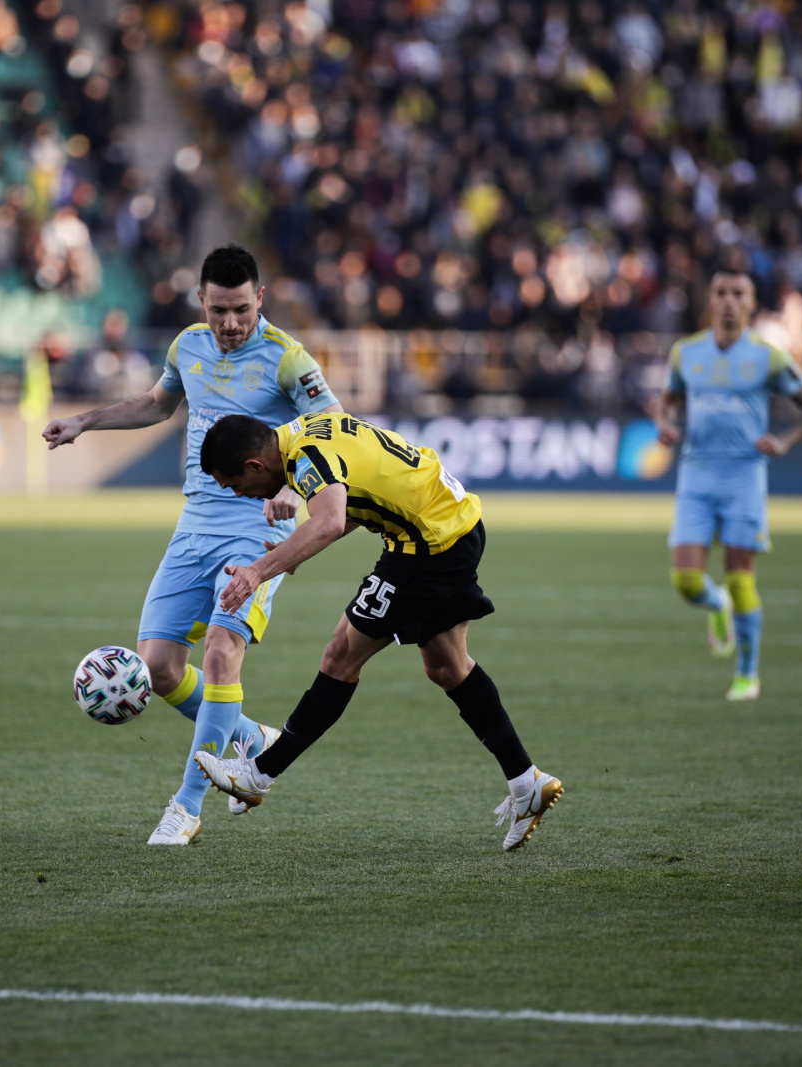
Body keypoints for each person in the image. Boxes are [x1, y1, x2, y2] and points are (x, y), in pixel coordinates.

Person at [42, 244, 342, 846]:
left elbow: (334, 428)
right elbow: (157, 404)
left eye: (241, 310)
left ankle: (186, 806)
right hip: (194, 524)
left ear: (260, 299)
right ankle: (249, 737)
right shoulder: (188, 346)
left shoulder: (288, 359)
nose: (229, 323)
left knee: (222, 653)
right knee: (157, 668)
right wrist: (85, 422)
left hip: (258, 525)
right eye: (218, 310)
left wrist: (294, 487)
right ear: (200, 300)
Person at [192, 412, 563, 851]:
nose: (240, 494)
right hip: (453, 525)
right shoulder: (308, 428)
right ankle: (526, 783)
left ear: (255, 465)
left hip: (427, 546)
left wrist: (257, 571)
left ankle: (258, 774)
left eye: (235, 485)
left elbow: (330, 520)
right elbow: (353, 500)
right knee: (447, 667)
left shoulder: (306, 457)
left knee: (339, 657)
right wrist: (293, 551)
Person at [652, 271, 802, 701]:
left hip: (744, 476)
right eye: (721, 293)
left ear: (751, 304)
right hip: (696, 474)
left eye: (738, 294)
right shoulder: (686, 352)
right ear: (710, 300)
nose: (729, 301)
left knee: (741, 578)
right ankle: (718, 605)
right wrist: (664, 424)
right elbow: (667, 400)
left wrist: (784, 442)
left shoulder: (768, 356)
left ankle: (747, 675)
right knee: (686, 580)